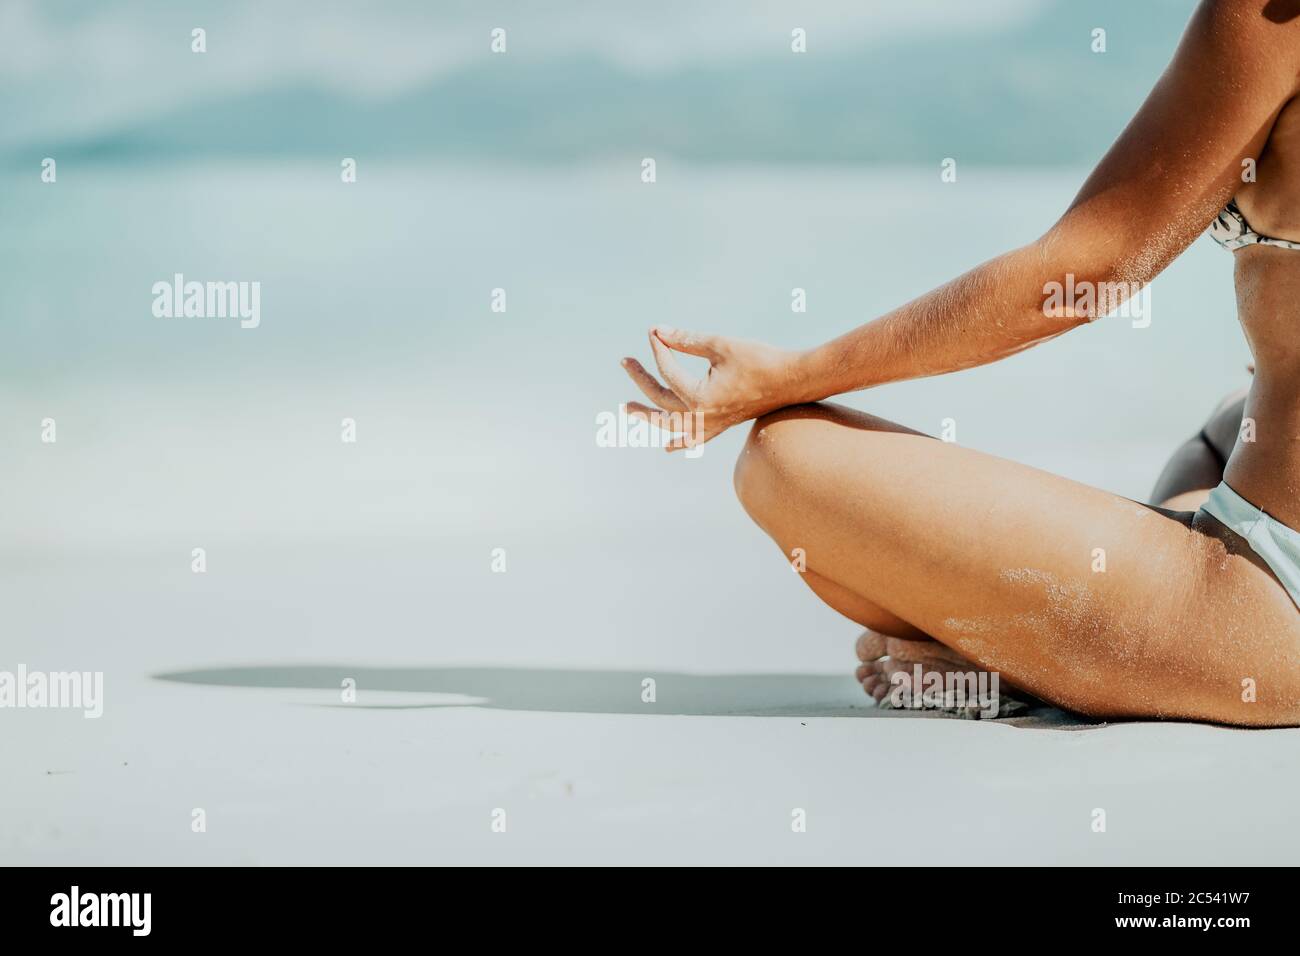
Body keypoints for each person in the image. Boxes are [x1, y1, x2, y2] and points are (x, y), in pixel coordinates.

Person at [620, 0, 1300, 726]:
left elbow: (1076, 277)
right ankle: (1082, 639)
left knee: (784, 460)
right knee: (1223, 427)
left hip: (1269, 601)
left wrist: (788, 376)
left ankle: (1052, 655)